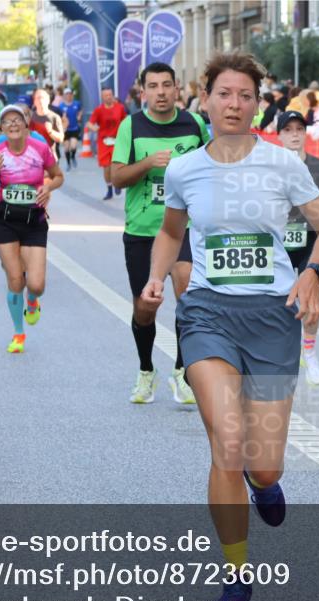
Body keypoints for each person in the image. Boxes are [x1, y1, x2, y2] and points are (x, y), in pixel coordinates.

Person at [141, 52, 319, 601]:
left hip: (273, 316)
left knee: (264, 462)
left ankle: (266, 483)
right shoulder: (183, 168)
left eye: (245, 95)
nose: (233, 104)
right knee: (226, 442)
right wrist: (158, 278)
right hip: (207, 312)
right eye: (223, 94)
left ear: (258, 102)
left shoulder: (283, 165)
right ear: (204, 99)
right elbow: (170, 231)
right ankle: (235, 572)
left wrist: (311, 272)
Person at [110, 62, 210, 404]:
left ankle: (182, 372)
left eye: (167, 85)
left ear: (177, 88)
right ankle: (146, 369)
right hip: (143, 230)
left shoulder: (195, 124)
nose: (161, 92)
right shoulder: (132, 125)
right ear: (144, 92)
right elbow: (116, 177)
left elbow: (213, 167)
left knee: (188, 296)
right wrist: (148, 163)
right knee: (145, 306)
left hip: (185, 228)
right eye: (153, 86)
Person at [0, 104, 64, 353]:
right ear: (1, 128)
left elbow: (58, 175)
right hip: (5, 221)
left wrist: (47, 187)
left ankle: (32, 299)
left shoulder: (40, 148)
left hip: (34, 221)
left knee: (36, 284)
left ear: (26, 123)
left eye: (17, 119)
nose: (13, 124)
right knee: (15, 279)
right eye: (7, 121)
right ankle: (19, 334)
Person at [277, 110, 319, 385]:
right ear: (278, 135)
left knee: (313, 300)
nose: (294, 134)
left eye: (299, 128)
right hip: (276, 244)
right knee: (276, 306)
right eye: (288, 130)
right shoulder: (268, 165)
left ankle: (309, 353)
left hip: (308, 240)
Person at [86, 86, 128, 200]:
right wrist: (94, 128)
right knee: (107, 168)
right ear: (102, 97)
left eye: (110, 95)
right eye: (105, 96)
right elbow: (89, 123)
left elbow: (125, 120)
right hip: (104, 141)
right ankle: (109, 189)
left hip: (117, 141)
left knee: (116, 166)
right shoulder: (99, 110)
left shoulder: (120, 107)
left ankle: (117, 184)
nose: (108, 97)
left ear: (112, 95)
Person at [29, 88, 64, 161]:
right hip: (34, 157)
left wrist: (50, 131)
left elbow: (61, 138)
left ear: (48, 100)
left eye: (42, 98)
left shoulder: (54, 117)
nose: (40, 100)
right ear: (34, 101)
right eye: (38, 98)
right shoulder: (30, 117)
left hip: (50, 156)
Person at [59, 88, 82, 170]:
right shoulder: (61, 106)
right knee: (66, 148)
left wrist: (79, 116)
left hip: (74, 128)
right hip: (65, 130)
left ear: (72, 95)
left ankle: (73, 157)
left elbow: (80, 111)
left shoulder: (77, 104)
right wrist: (63, 118)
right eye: (67, 94)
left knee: (73, 146)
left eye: (70, 94)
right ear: (64, 96)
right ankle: (68, 164)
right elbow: (59, 117)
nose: (69, 96)